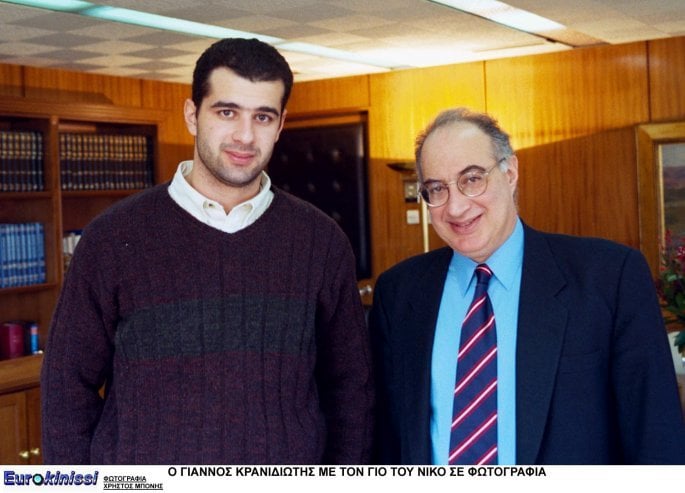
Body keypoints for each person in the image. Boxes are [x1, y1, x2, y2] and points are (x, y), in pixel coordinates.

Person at [41, 38, 373, 465]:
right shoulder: (111, 238)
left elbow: (351, 389)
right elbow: (66, 387)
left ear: (280, 125)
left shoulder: (321, 242)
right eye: (226, 112)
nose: (245, 136)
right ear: (191, 115)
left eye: (263, 116)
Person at [369, 107, 685, 465]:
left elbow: (658, 439)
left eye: (472, 179)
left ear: (510, 173)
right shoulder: (399, 294)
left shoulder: (609, 278)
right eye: (437, 189)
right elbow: (387, 442)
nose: (455, 207)